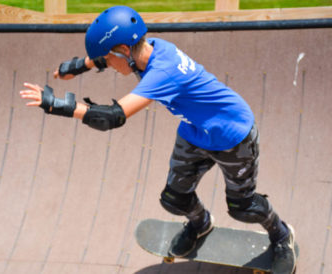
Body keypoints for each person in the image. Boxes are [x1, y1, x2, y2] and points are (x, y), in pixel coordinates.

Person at [20, 6, 296, 273]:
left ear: (124, 50)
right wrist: (78, 66)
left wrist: (56, 105)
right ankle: (201, 224)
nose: (112, 67)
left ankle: (282, 236)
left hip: (233, 137)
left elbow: (113, 117)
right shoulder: (147, 48)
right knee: (174, 199)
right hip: (194, 133)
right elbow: (107, 54)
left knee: (242, 207)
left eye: (111, 59)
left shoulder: (163, 72)